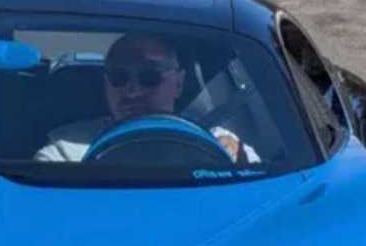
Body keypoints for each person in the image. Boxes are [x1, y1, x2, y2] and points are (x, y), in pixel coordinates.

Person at [35, 33, 254, 163]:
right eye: (119, 77)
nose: (133, 91)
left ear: (178, 83)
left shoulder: (216, 145)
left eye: (150, 77)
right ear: (106, 83)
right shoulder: (66, 151)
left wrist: (236, 163)